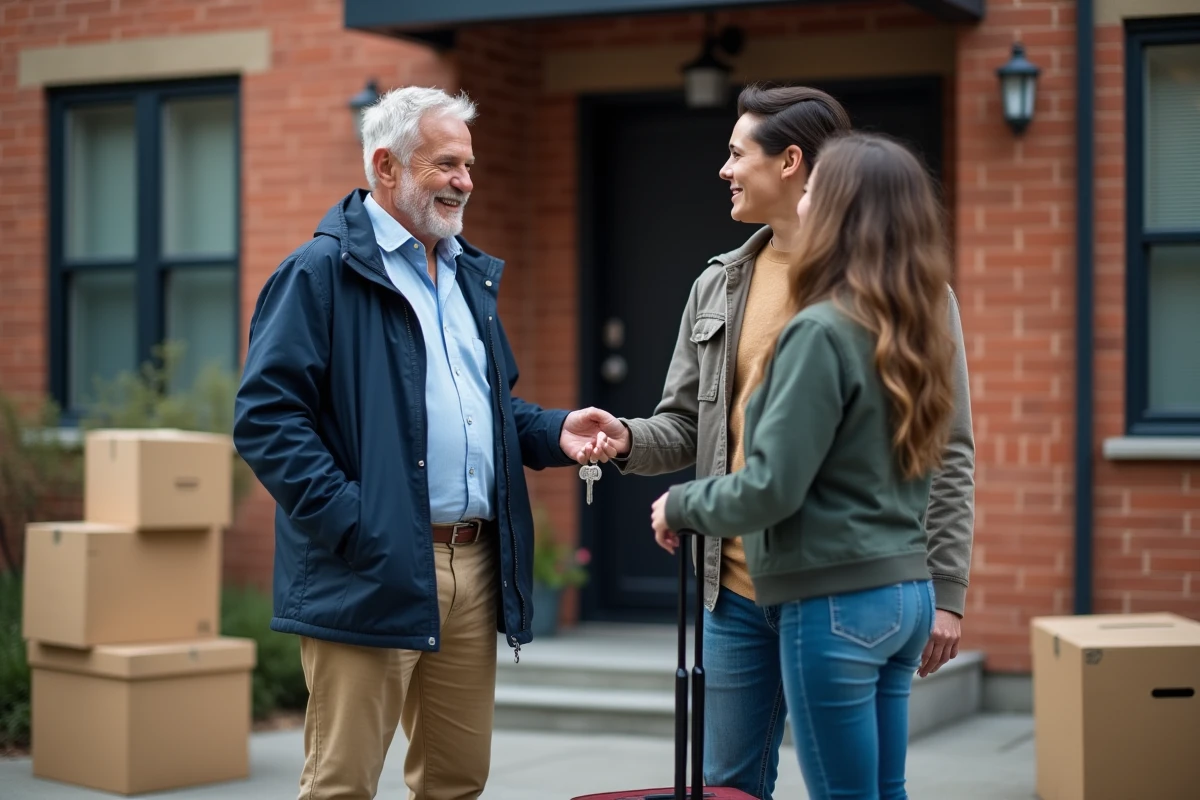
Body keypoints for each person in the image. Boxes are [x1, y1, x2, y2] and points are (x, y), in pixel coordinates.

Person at [574, 85, 975, 800]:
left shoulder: (907, 294)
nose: (723, 169)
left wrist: (945, 587)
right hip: (737, 590)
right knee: (732, 785)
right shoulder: (719, 286)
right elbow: (691, 427)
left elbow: (945, 447)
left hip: (840, 586)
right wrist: (626, 439)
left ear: (793, 163)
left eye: (735, 152)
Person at [233, 86, 623, 800]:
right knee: (342, 785)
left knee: (455, 780)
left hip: (472, 570)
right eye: (447, 165)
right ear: (386, 166)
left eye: (468, 166)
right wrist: (361, 525)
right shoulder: (320, 274)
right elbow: (266, 418)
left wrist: (550, 430)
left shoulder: (468, 274)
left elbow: (481, 409)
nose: (465, 182)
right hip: (368, 570)